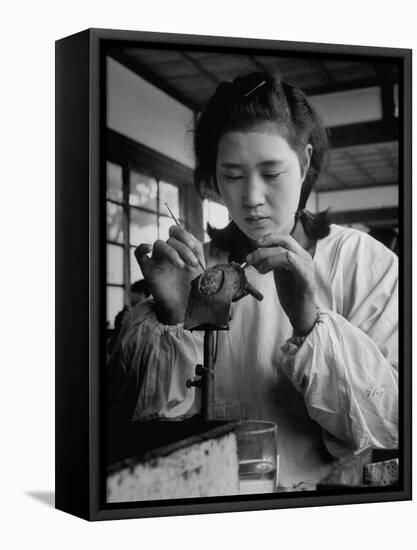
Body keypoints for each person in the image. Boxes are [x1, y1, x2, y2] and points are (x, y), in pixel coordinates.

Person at [107, 72, 398, 488]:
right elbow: (136, 433)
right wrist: (173, 317)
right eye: (233, 175)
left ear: (305, 160)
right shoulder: (197, 269)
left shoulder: (362, 262)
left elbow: (390, 430)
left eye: (272, 173)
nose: (252, 198)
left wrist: (308, 324)